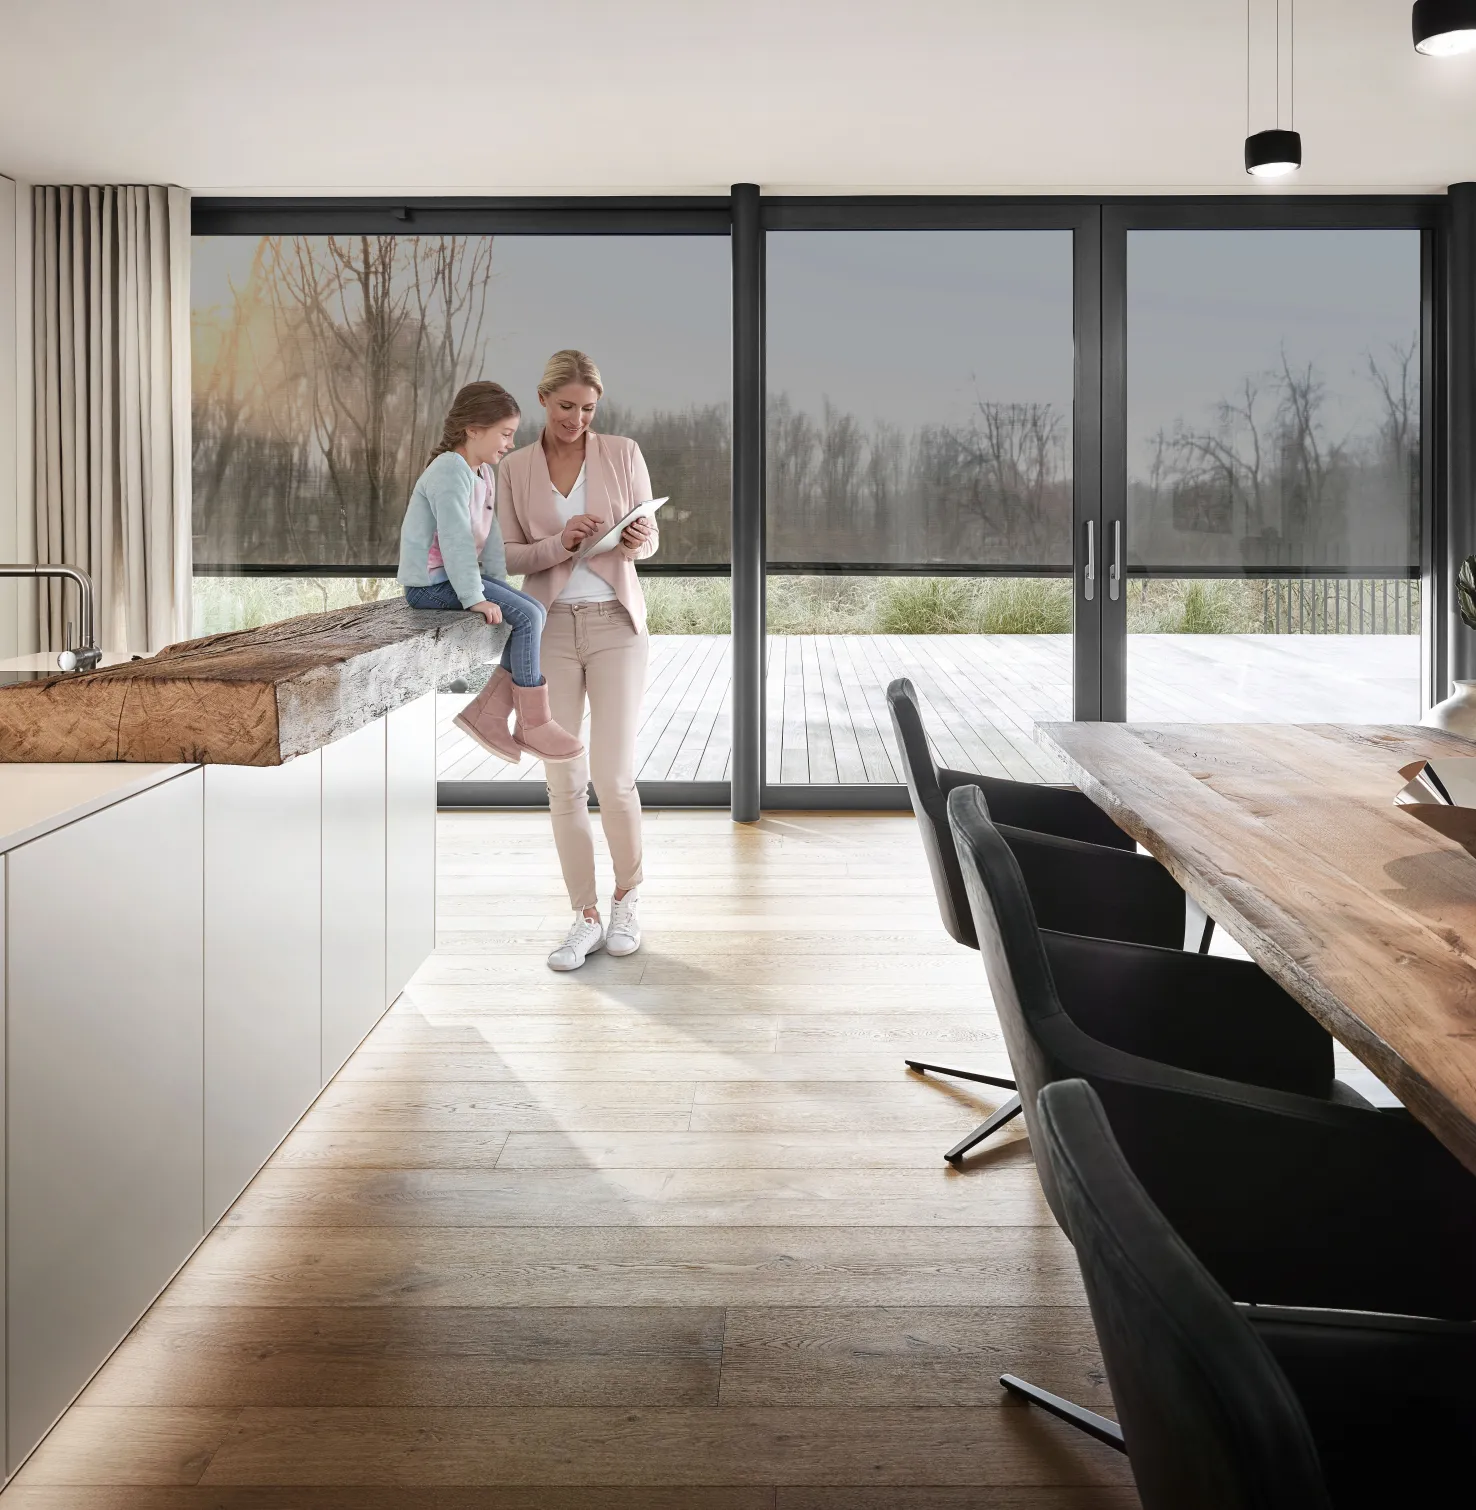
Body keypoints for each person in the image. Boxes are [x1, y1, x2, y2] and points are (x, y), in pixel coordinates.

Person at [498, 350, 658, 971]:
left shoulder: (623, 452)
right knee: (563, 783)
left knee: (614, 778)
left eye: (588, 409)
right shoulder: (515, 468)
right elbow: (509, 557)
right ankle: (584, 915)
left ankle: (626, 898)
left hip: (617, 625)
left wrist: (639, 538)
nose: (578, 419)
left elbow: (650, 539)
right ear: (543, 400)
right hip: (549, 631)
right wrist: (558, 543)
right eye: (567, 407)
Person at [397, 381, 583, 765]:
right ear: (473, 429)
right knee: (530, 615)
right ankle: (532, 722)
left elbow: (491, 537)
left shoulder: (481, 472)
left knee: (531, 608)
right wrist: (475, 598)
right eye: (505, 433)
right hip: (429, 585)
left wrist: (498, 586)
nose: (511, 443)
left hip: (452, 578)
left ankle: (490, 713)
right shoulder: (450, 470)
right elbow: (455, 540)